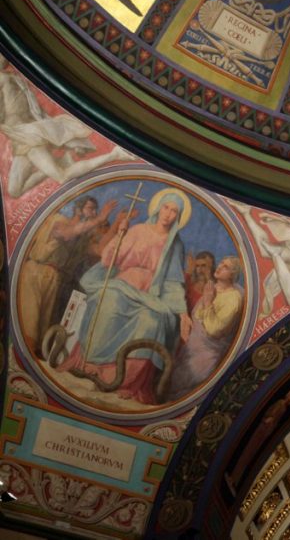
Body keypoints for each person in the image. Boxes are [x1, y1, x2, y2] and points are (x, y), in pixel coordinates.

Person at [60, 189, 191, 405]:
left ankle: (128, 383)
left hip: (150, 295)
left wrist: (183, 313)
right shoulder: (139, 229)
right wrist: (120, 235)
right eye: (166, 207)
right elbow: (110, 259)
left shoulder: (174, 244)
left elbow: (173, 282)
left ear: (178, 216)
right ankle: (92, 366)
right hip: (123, 283)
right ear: (159, 207)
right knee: (108, 300)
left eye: (174, 211)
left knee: (152, 321)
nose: (168, 214)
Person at [0, 56, 132, 198]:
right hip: (20, 137)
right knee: (14, 191)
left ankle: (113, 155)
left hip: (28, 136)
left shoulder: (5, 79)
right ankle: (63, 160)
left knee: (61, 176)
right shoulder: (15, 80)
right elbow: (37, 111)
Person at [19, 195, 117, 355]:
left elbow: (99, 250)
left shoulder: (81, 238)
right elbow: (66, 234)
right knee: (30, 322)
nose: (93, 213)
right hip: (36, 272)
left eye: (95, 210)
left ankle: (33, 360)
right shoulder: (59, 220)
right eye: (90, 209)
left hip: (55, 278)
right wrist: (99, 219)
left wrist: (118, 225)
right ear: (77, 210)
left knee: (44, 327)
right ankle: (21, 359)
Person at [168, 256, 244, 400]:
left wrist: (208, 302)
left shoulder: (233, 298)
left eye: (226, 267)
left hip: (207, 354)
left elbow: (214, 330)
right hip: (191, 348)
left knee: (189, 387)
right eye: (221, 263)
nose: (220, 267)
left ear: (233, 275)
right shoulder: (213, 287)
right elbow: (198, 315)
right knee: (176, 381)